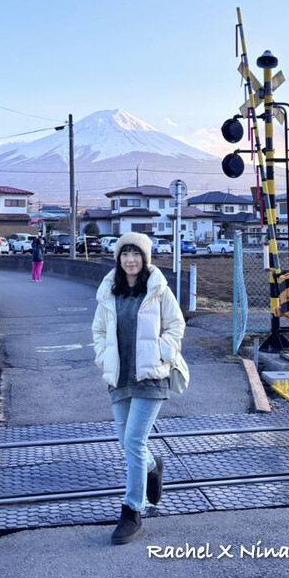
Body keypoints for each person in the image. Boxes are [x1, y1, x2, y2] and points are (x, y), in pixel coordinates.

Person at [92, 232, 186, 545]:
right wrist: (103, 357)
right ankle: (151, 466)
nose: (130, 259)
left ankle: (132, 510)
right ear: (118, 258)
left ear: (145, 259)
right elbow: (99, 330)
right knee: (127, 442)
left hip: (151, 376)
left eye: (136, 254)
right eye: (125, 254)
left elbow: (176, 325)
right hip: (119, 377)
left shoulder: (158, 288)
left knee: (134, 440)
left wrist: (161, 352)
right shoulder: (110, 290)